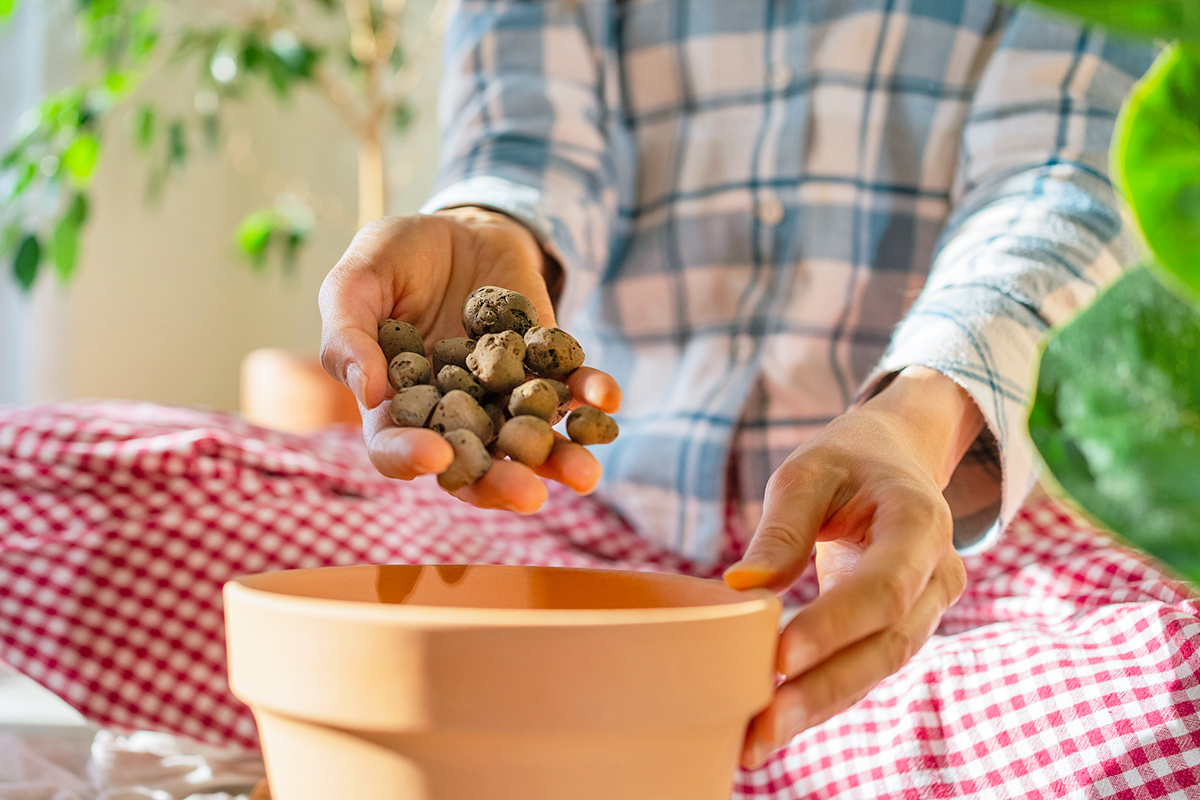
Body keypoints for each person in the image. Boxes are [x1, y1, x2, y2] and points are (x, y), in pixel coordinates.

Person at [2, 1, 1198, 797]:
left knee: (1177, 692)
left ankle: (563, 750)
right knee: (31, 489)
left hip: (932, 576)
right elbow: (529, 137)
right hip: (589, 538)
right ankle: (694, 753)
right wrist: (483, 227)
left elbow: (1064, 180)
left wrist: (913, 420)